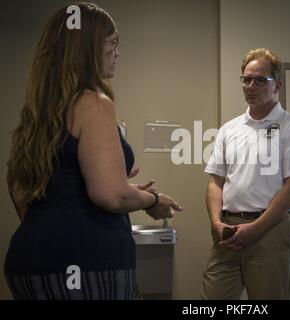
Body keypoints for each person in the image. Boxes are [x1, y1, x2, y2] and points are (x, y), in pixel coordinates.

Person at [4, 3, 182, 300]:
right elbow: (110, 195)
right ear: (87, 50)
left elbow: (18, 188)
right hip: (87, 263)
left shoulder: (38, 113)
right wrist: (151, 199)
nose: (117, 52)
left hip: (29, 261)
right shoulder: (93, 104)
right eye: (112, 44)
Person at [201, 48, 290, 300]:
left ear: (277, 85)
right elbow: (215, 182)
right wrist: (216, 223)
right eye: (246, 79)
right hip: (227, 230)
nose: (251, 85)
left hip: (269, 230)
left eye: (260, 80)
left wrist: (256, 228)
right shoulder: (229, 129)